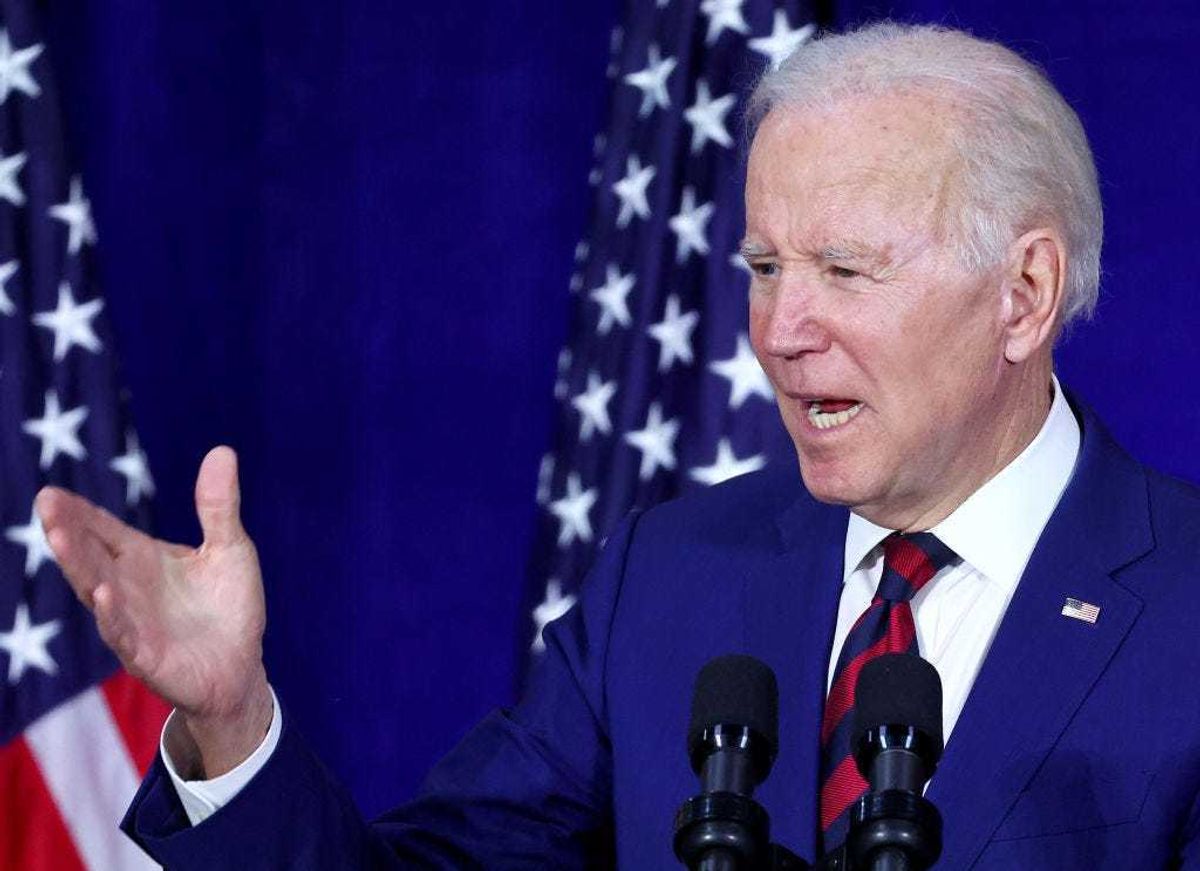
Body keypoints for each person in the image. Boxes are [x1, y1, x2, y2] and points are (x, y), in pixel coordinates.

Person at [35, 22, 1200, 869]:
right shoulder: (672, 576)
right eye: (763, 270)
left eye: (846, 270)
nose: (782, 332)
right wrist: (231, 721)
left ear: (1024, 293)